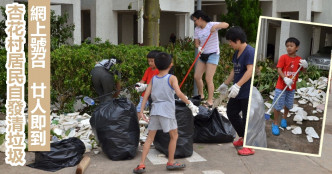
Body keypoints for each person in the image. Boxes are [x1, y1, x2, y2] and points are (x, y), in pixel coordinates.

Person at [133, 52, 199, 174]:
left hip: (155, 110)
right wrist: (190, 104)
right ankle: (171, 162)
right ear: (170, 65)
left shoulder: (153, 78)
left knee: (149, 138)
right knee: (174, 136)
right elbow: (179, 94)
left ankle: (141, 165)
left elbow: (146, 95)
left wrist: (141, 111)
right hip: (167, 111)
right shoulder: (172, 78)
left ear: (156, 66)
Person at [217, 26, 255, 156]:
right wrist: (226, 84)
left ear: (238, 40)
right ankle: (243, 137)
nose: (230, 44)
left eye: (231, 41)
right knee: (231, 112)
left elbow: (250, 70)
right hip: (236, 91)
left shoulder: (249, 51)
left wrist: (238, 85)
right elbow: (235, 69)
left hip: (246, 90)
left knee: (246, 118)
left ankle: (249, 146)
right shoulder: (236, 52)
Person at [190, 10, 229, 108]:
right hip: (203, 54)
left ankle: (210, 101)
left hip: (213, 54)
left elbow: (226, 24)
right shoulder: (197, 29)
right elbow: (196, 42)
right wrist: (198, 47)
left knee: (208, 78)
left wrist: (215, 27)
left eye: (195, 20)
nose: (195, 23)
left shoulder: (211, 24)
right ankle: (201, 95)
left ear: (200, 18)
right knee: (197, 76)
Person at [270, 37, 308, 136]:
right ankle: (275, 123)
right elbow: (279, 69)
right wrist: (285, 78)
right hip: (281, 86)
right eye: (287, 46)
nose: (289, 48)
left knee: (288, 105)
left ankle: (284, 119)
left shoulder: (299, 60)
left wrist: (305, 66)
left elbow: (303, 71)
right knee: (278, 105)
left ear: (297, 47)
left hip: (291, 88)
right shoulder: (283, 57)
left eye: (291, 46)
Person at [135, 50, 161, 120]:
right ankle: (137, 128)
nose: (150, 63)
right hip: (145, 95)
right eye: (148, 61)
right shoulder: (148, 70)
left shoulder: (160, 71)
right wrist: (139, 85)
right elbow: (143, 80)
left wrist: (146, 86)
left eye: (152, 61)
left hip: (155, 97)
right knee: (138, 110)